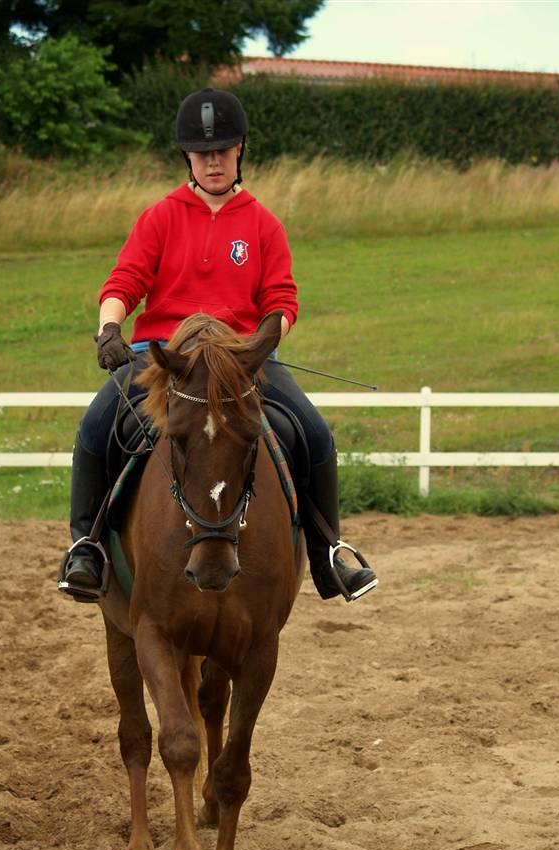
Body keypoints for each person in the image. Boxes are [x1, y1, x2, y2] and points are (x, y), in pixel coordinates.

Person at [60, 87, 378, 602]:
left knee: (315, 433)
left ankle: (327, 553)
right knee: (96, 425)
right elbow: (124, 282)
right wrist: (110, 328)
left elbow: (281, 299)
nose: (213, 161)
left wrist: (261, 343)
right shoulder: (160, 217)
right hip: (167, 357)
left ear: (239, 151)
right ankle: (87, 547)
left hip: (242, 360)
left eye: (223, 151)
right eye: (203, 152)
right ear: (188, 156)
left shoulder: (262, 223)